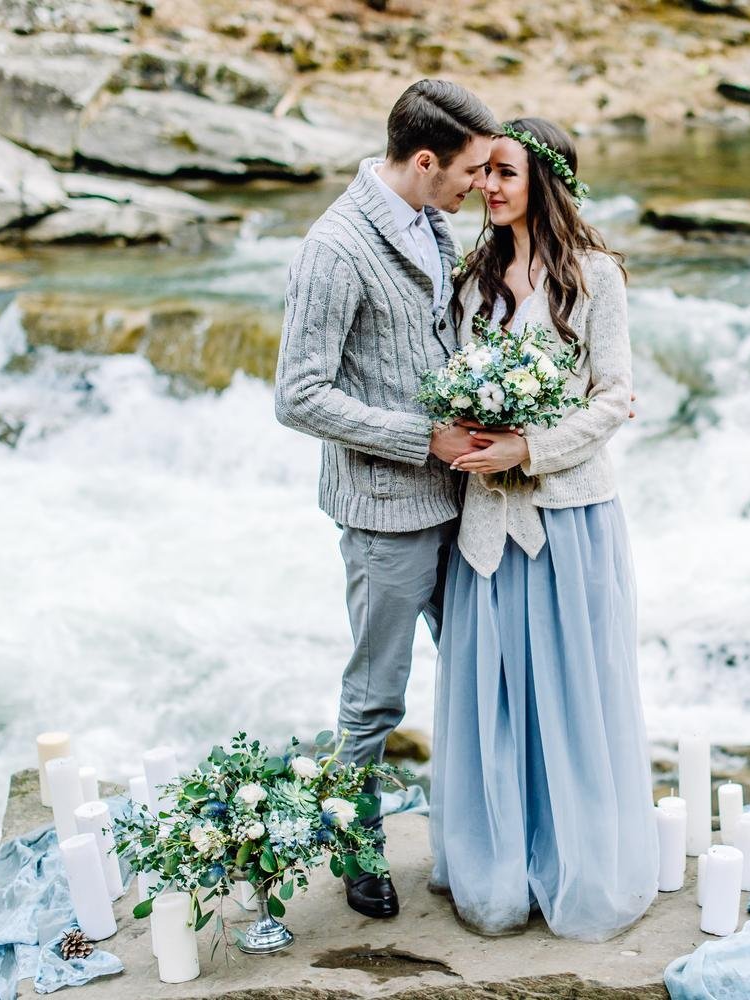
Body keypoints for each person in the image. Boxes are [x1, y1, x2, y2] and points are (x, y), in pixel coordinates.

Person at [428, 117, 658, 941]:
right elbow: (449, 382)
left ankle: (574, 861)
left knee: (570, 692)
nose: (488, 186)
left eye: (505, 174)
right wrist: (460, 425)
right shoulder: (467, 276)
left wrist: (532, 447)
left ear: (546, 182)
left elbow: (614, 399)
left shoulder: (597, 277)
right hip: (485, 522)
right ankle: (498, 868)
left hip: (570, 518)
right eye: (483, 172)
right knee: (494, 692)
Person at [273, 79, 498, 920]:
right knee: (376, 696)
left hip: (464, 503)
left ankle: (478, 833)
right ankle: (355, 846)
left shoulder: (434, 221)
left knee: (482, 674)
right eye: (473, 168)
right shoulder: (335, 246)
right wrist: (424, 438)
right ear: (427, 159)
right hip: (383, 511)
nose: (482, 183)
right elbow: (298, 396)